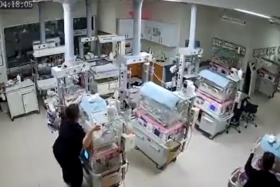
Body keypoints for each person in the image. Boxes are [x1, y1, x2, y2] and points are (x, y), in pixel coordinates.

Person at [53, 104, 101, 187]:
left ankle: (67, 179)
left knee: (66, 167)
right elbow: (85, 144)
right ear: (77, 116)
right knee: (77, 172)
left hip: (57, 148)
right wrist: (92, 130)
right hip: (66, 155)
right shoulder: (76, 130)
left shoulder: (65, 120)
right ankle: (74, 184)